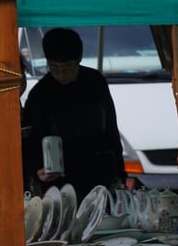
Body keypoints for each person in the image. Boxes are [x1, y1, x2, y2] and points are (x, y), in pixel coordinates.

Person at [21, 27, 126, 201]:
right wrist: (38, 170)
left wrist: (120, 174)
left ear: (79, 59)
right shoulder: (40, 95)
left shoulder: (95, 82)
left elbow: (111, 130)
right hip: (60, 184)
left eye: (67, 67)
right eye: (54, 67)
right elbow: (32, 143)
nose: (61, 73)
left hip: (99, 176)